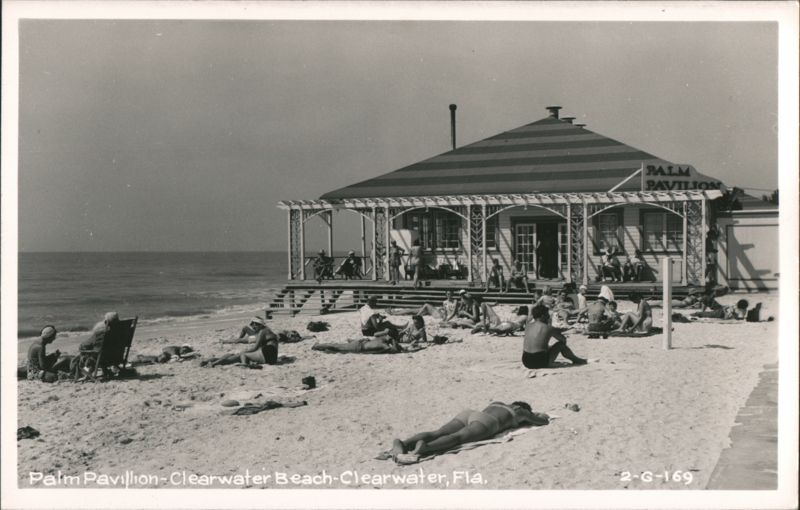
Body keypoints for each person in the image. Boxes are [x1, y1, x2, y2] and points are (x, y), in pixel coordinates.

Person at [388, 400, 549, 463]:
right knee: (457, 438)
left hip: (470, 414)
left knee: (438, 432)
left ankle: (404, 443)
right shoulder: (521, 411)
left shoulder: (498, 402)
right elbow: (542, 421)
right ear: (521, 406)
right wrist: (536, 415)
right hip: (488, 422)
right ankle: (426, 448)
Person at [522, 305, 587, 369]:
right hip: (540, 361)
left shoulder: (528, 326)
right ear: (542, 316)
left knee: (544, 347)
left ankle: (576, 359)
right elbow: (563, 340)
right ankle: (577, 360)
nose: (548, 317)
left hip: (526, 361)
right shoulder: (548, 328)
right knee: (560, 345)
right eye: (547, 315)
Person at [201, 325, 279, 367]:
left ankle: (213, 362)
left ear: (258, 325)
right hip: (272, 357)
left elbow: (254, 347)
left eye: (254, 326)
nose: (253, 327)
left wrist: (245, 351)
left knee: (238, 356)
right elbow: (257, 348)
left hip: (266, 354)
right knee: (233, 357)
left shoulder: (261, 333)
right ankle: (212, 361)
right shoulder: (269, 332)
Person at [389, 290, 458, 322]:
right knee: (411, 310)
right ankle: (394, 312)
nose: (449, 295)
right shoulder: (444, 302)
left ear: (453, 294)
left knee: (426, 305)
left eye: (450, 294)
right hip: (439, 313)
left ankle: (417, 316)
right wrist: (441, 309)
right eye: (448, 294)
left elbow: (454, 312)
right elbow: (445, 310)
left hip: (440, 316)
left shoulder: (455, 301)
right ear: (446, 295)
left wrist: (446, 319)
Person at [312, 336, 404, 354]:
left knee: (336, 346)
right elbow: (395, 350)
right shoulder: (384, 344)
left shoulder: (383, 341)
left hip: (359, 344)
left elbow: (395, 349)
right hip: (358, 346)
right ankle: (317, 346)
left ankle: (319, 347)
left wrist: (393, 341)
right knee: (336, 346)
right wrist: (394, 342)